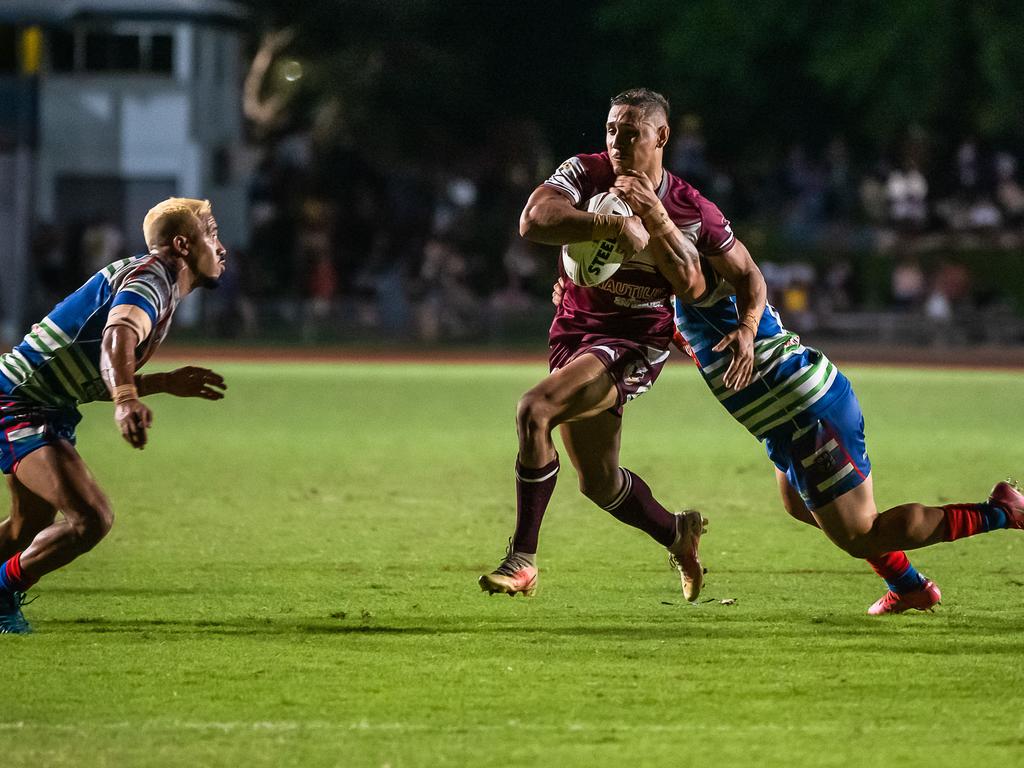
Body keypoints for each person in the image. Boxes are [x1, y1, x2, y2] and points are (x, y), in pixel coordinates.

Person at [552, 245, 1024, 614]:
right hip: (787, 420)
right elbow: (669, 330)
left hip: (802, 413)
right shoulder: (680, 295)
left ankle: (1001, 512)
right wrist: (582, 299)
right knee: (800, 506)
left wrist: (644, 211)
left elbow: (688, 275)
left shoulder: (700, 273)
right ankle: (909, 586)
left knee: (861, 533)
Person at [479, 88, 756, 602]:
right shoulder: (586, 174)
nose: (617, 143)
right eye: (611, 131)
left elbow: (721, 280)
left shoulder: (690, 207)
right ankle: (678, 533)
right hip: (574, 333)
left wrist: (747, 326)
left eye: (630, 134)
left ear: (661, 137)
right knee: (600, 484)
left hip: (633, 342)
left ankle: (522, 560)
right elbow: (532, 220)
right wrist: (609, 223)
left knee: (534, 410)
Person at [0, 198, 229, 634]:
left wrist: (158, 383)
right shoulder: (150, 279)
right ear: (182, 244)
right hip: (17, 401)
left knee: (24, 530)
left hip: (43, 402)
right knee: (91, 519)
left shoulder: (153, 281)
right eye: (212, 233)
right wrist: (126, 396)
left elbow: (94, 369)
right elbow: (117, 338)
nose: (221, 247)